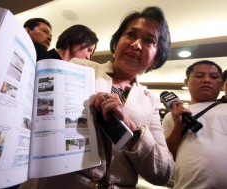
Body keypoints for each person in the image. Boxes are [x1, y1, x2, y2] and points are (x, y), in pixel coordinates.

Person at [20, 6, 174, 189]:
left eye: (149, 40)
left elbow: (164, 173)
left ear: (156, 58)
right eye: (131, 35)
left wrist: (131, 130)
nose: (136, 44)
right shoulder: (79, 67)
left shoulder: (150, 101)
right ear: (117, 41)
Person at [162, 60, 227, 188]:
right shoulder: (172, 116)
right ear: (186, 82)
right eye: (199, 76)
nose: (207, 80)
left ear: (221, 84)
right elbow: (166, 159)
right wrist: (177, 128)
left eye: (214, 77)